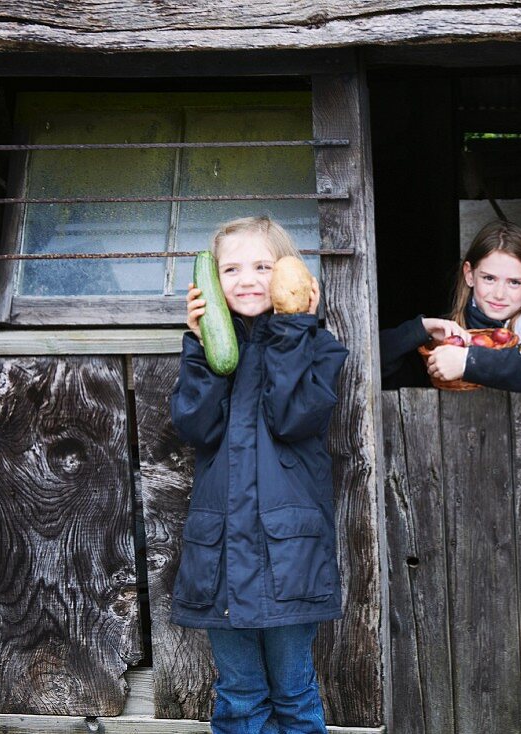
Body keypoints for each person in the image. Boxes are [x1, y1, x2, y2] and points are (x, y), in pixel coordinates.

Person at [170, 216, 348, 734]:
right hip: (220, 559)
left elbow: (296, 419)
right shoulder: (209, 349)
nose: (247, 279)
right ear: (210, 281)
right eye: (231, 268)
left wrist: (294, 332)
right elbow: (196, 427)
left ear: (289, 274)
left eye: (263, 266)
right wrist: (200, 346)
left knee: (294, 694)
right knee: (240, 697)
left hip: (289, 558)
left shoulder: (319, 348)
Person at [380, 219, 521, 398]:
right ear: (469, 275)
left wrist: (469, 361)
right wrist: (420, 328)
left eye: (514, 282)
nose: (499, 294)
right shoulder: (444, 336)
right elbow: (373, 364)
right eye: (489, 278)